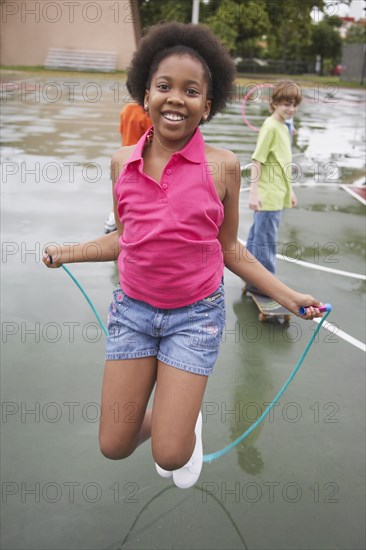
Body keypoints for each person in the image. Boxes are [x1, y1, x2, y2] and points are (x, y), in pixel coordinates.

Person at [43, 23, 323, 489]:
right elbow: (123, 238)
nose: (176, 98)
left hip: (195, 318)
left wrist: (288, 296)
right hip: (132, 313)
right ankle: (177, 412)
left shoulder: (224, 166)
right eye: (164, 86)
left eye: (191, 91)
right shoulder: (120, 163)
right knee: (113, 445)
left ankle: (181, 418)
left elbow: (230, 247)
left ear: (206, 106)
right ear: (145, 95)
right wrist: (67, 252)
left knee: (171, 455)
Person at [245, 80, 302, 295]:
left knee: (256, 238)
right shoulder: (270, 127)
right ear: (274, 103)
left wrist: (291, 191)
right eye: (286, 104)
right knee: (265, 241)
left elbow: (282, 164)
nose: (291, 109)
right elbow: (257, 161)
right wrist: (253, 193)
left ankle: (252, 278)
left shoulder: (283, 126)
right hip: (267, 197)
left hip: (277, 194)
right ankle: (265, 286)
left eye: (295, 105)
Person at [104, 103, 152, 233]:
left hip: (122, 160)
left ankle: (112, 221)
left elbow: (122, 131)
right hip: (138, 162)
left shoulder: (126, 110)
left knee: (118, 197)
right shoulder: (147, 115)